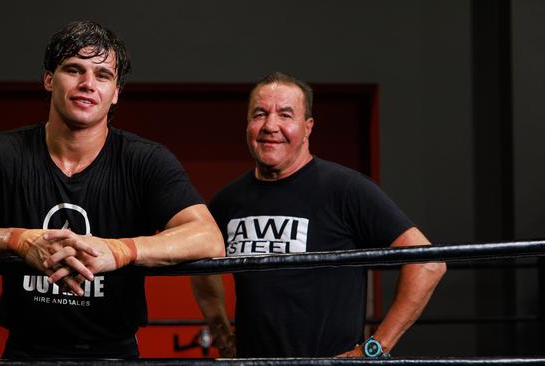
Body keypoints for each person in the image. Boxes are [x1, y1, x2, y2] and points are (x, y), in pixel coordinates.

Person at [0, 20, 224, 359]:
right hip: (26, 351)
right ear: (49, 79)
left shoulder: (145, 159)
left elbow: (208, 236)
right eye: (74, 70)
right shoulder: (1, 152)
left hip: (113, 351)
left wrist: (120, 250)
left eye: (102, 75)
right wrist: (19, 240)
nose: (87, 84)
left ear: (115, 93)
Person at [191, 72, 446, 358]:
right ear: (248, 125)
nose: (270, 125)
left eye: (285, 115)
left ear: (308, 127)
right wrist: (222, 335)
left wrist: (375, 349)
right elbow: (199, 265)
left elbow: (428, 262)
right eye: (260, 114)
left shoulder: (346, 188)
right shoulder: (229, 200)